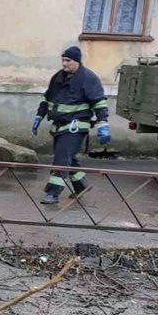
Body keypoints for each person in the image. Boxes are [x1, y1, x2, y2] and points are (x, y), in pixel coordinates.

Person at [31, 46, 111, 204]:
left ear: (77, 61)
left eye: (68, 61)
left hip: (76, 126)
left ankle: (52, 193)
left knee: (61, 158)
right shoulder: (58, 78)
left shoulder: (88, 78)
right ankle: (81, 185)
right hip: (59, 125)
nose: (64, 64)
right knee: (67, 157)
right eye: (63, 60)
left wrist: (103, 123)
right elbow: (47, 99)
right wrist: (40, 115)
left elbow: (99, 102)